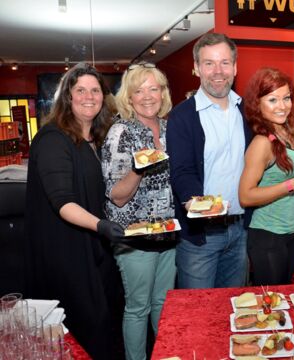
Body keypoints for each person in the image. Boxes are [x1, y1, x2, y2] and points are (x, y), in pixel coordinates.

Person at [25, 62, 124, 359]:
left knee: (108, 324)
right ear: (67, 96)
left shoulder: (95, 138)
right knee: (82, 335)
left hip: (95, 250)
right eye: (80, 90)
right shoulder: (53, 139)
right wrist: (102, 226)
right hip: (66, 256)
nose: (89, 96)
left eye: (95, 90)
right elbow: (63, 201)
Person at [101, 62, 176, 360]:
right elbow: (116, 197)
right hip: (134, 235)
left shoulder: (171, 128)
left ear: (163, 93)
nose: (147, 96)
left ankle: (164, 354)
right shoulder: (121, 132)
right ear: (128, 98)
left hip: (169, 232)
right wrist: (138, 169)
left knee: (163, 303)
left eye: (153, 88)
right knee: (138, 307)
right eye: (138, 90)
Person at [166, 33, 252, 289]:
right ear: (196, 68)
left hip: (240, 231)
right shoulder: (181, 117)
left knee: (235, 310)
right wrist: (198, 205)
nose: (218, 71)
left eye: (225, 62)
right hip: (200, 237)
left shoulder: (248, 111)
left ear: (235, 67)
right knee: (196, 315)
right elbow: (181, 172)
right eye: (209, 63)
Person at [239, 67, 294, 285]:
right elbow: (246, 196)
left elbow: (293, 174)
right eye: (272, 100)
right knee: (272, 306)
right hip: (268, 236)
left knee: (285, 299)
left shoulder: (289, 133)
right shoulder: (262, 142)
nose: (282, 106)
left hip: (290, 232)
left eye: (286, 98)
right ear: (257, 104)